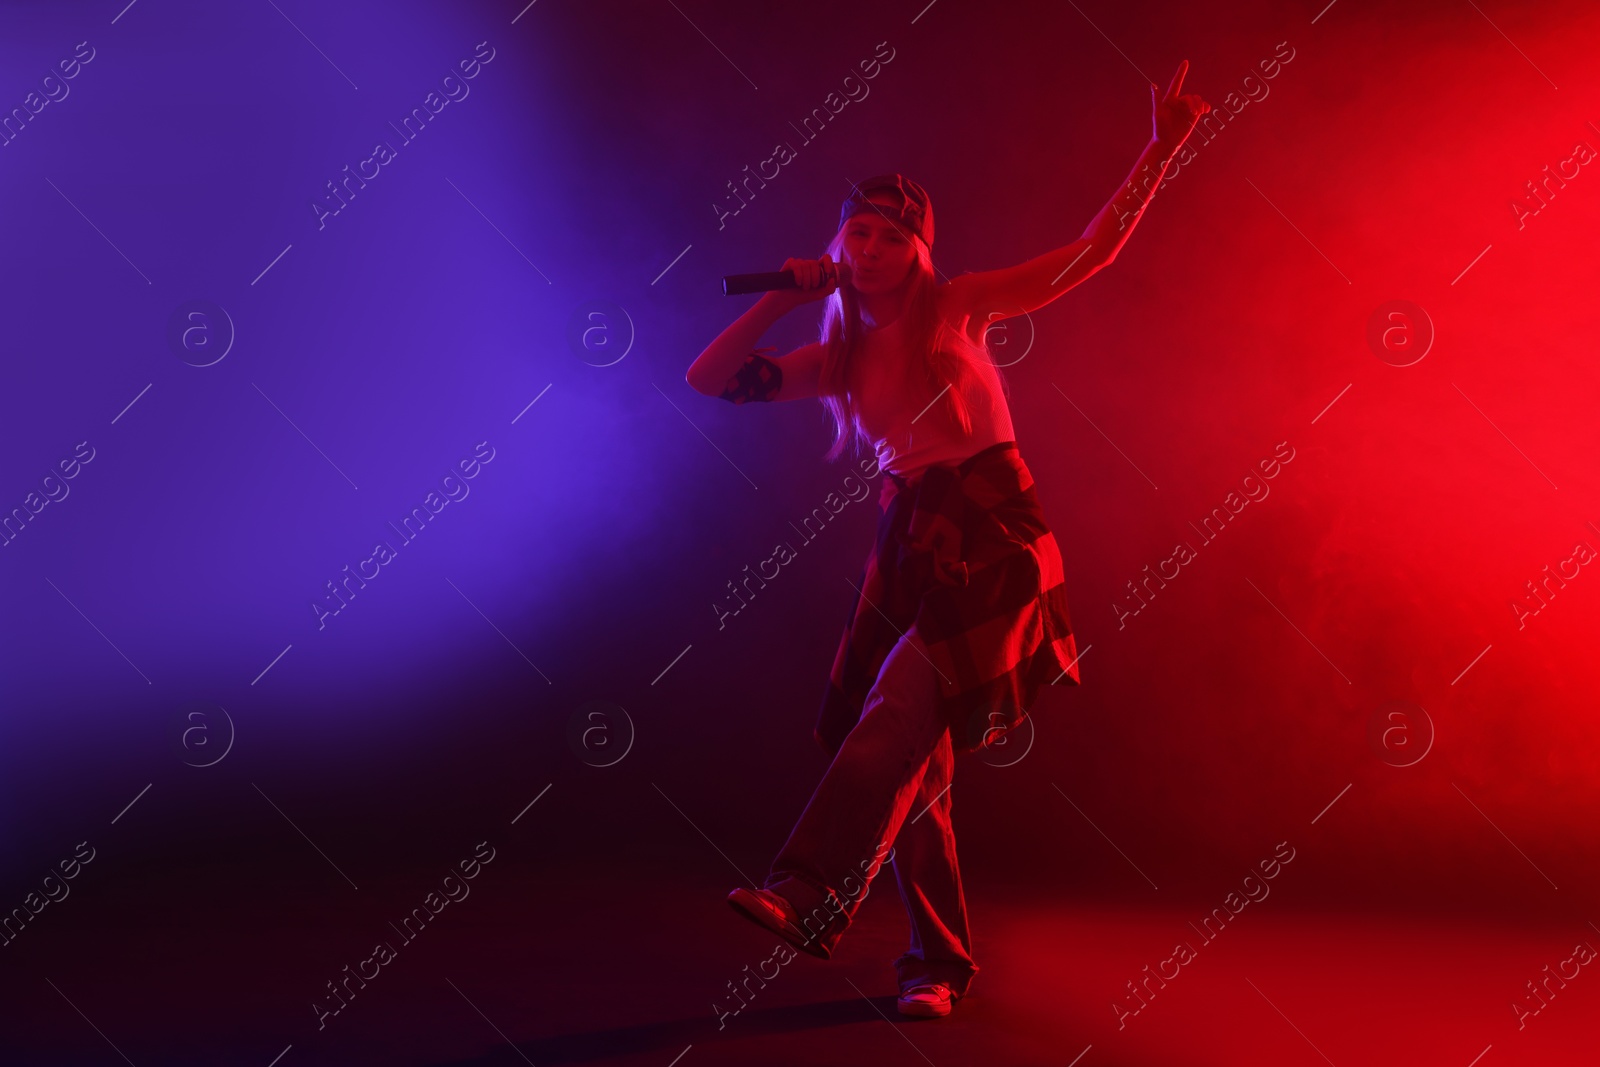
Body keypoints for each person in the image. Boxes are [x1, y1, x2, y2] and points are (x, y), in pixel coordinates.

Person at [686, 62, 1210, 1019]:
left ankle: (805, 890)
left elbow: (1088, 255)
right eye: (860, 232)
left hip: (996, 533)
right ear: (838, 243)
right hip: (910, 538)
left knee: (898, 707)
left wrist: (1164, 143)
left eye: (895, 235)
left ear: (921, 251)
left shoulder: (961, 308)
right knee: (916, 763)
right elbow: (708, 379)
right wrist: (780, 300)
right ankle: (936, 962)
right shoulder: (835, 358)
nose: (875, 246)